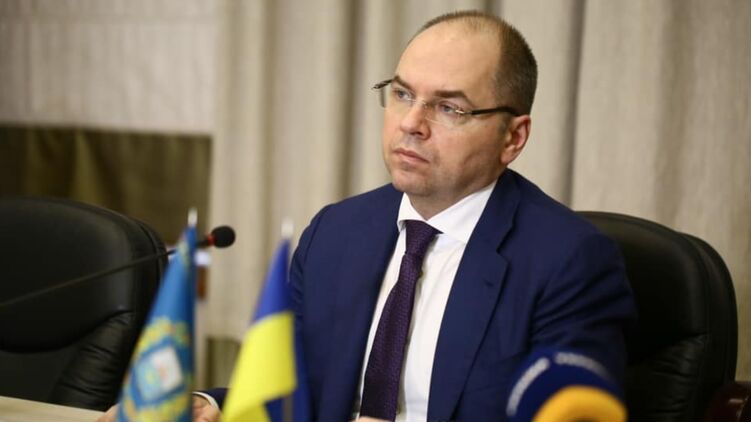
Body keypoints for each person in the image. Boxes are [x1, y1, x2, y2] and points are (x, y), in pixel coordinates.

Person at [100, 9, 635, 422]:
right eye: (402, 94)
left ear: (512, 137)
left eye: (449, 107)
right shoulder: (335, 233)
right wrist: (211, 405)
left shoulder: (569, 261)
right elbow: (291, 385)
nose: (411, 123)